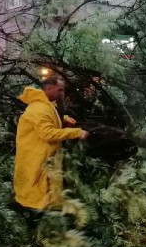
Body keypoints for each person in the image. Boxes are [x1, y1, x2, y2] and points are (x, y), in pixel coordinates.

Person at [13, 77, 89, 211]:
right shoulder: (39, 108)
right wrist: (76, 132)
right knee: (37, 196)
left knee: (45, 191)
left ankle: (48, 212)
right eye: (59, 90)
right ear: (48, 88)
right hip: (38, 159)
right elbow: (47, 134)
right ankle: (36, 218)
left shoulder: (45, 105)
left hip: (43, 157)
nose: (62, 93)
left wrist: (63, 119)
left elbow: (49, 118)